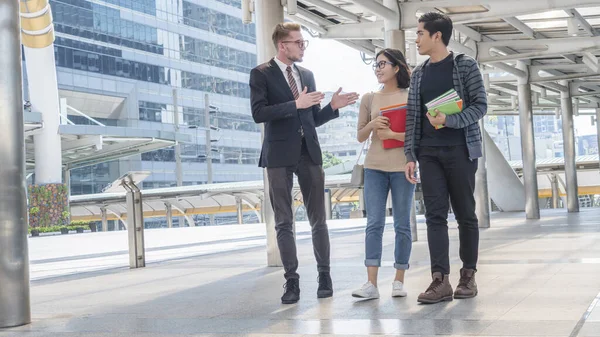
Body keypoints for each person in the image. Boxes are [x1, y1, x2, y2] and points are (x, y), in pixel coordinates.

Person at [249, 22, 359, 304]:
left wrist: (332, 107)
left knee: (318, 220)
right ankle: (292, 281)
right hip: (278, 155)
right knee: (284, 221)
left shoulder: (306, 74)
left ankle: (325, 275)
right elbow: (259, 113)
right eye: (298, 42)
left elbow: (311, 120)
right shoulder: (261, 74)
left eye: (303, 42)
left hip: (308, 152)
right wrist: (295, 105)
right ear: (282, 45)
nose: (302, 47)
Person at [403, 12, 488, 304]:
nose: (416, 39)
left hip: (460, 149)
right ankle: (440, 280)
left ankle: (468, 275)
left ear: (436, 35)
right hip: (428, 152)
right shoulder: (419, 72)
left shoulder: (465, 65)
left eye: (420, 33)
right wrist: (410, 154)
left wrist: (449, 120)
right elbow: (413, 115)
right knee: (434, 216)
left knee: (465, 213)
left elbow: (480, 106)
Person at [351, 49, 415, 300]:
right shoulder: (369, 98)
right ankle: (371, 284)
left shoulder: (410, 96)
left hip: (402, 167)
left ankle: (399, 280)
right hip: (374, 167)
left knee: (402, 225)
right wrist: (373, 125)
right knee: (374, 224)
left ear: (397, 67)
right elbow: (360, 135)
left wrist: (393, 136)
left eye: (382, 64)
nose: (378, 68)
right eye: (375, 65)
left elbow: (417, 136)